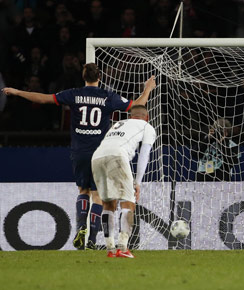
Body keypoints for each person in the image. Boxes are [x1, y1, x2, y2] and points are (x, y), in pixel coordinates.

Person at [2, 63, 156, 249]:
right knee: (98, 196)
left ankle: (80, 228)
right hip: (101, 153)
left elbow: (43, 99)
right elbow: (138, 106)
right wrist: (147, 89)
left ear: (84, 77)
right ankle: (91, 239)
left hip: (79, 151)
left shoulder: (73, 94)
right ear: (99, 77)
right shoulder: (107, 97)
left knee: (83, 191)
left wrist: (18, 92)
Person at [91, 105, 156, 258]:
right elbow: (144, 156)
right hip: (117, 155)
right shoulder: (147, 126)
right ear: (147, 117)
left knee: (108, 203)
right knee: (128, 201)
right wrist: (137, 183)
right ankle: (123, 247)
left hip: (97, 157)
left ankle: (110, 249)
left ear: (131, 116)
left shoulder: (118, 125)